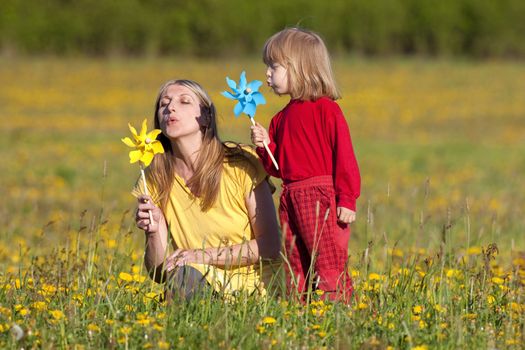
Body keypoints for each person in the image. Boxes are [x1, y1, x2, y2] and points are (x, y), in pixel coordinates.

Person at [134, 79, 281, 301]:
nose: (170, 108)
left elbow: (270, 245)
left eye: (184, 101)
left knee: (183, 278)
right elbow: (158, 271)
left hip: (256, 287)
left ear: (206, 117)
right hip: (196, 281)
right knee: (181, 278)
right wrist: (152, 233)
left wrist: (200, 256)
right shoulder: (155, 179)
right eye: (164, 104)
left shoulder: (241, 162)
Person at [251, 28, 361, 302]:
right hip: (290, 195)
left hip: (320, 196)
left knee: (327, 260)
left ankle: (337, 307)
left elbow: (344, 156)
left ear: (300, 68)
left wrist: (347, 198)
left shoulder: (327, 109)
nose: (267, 74)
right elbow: (278, 169)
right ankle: (300, 309)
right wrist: (265, 146)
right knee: (295, 260)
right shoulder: (279, 119)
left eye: (274, 66)